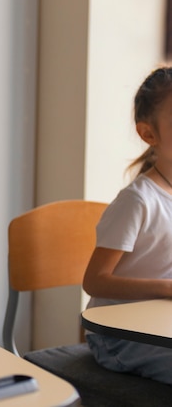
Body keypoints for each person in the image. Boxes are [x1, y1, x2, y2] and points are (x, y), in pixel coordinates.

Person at [83, 66, 172, 385]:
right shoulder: (138, 201)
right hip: (116, 337)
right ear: (149, 134)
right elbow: (94, 281)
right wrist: (166, 288)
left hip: (159, 324)